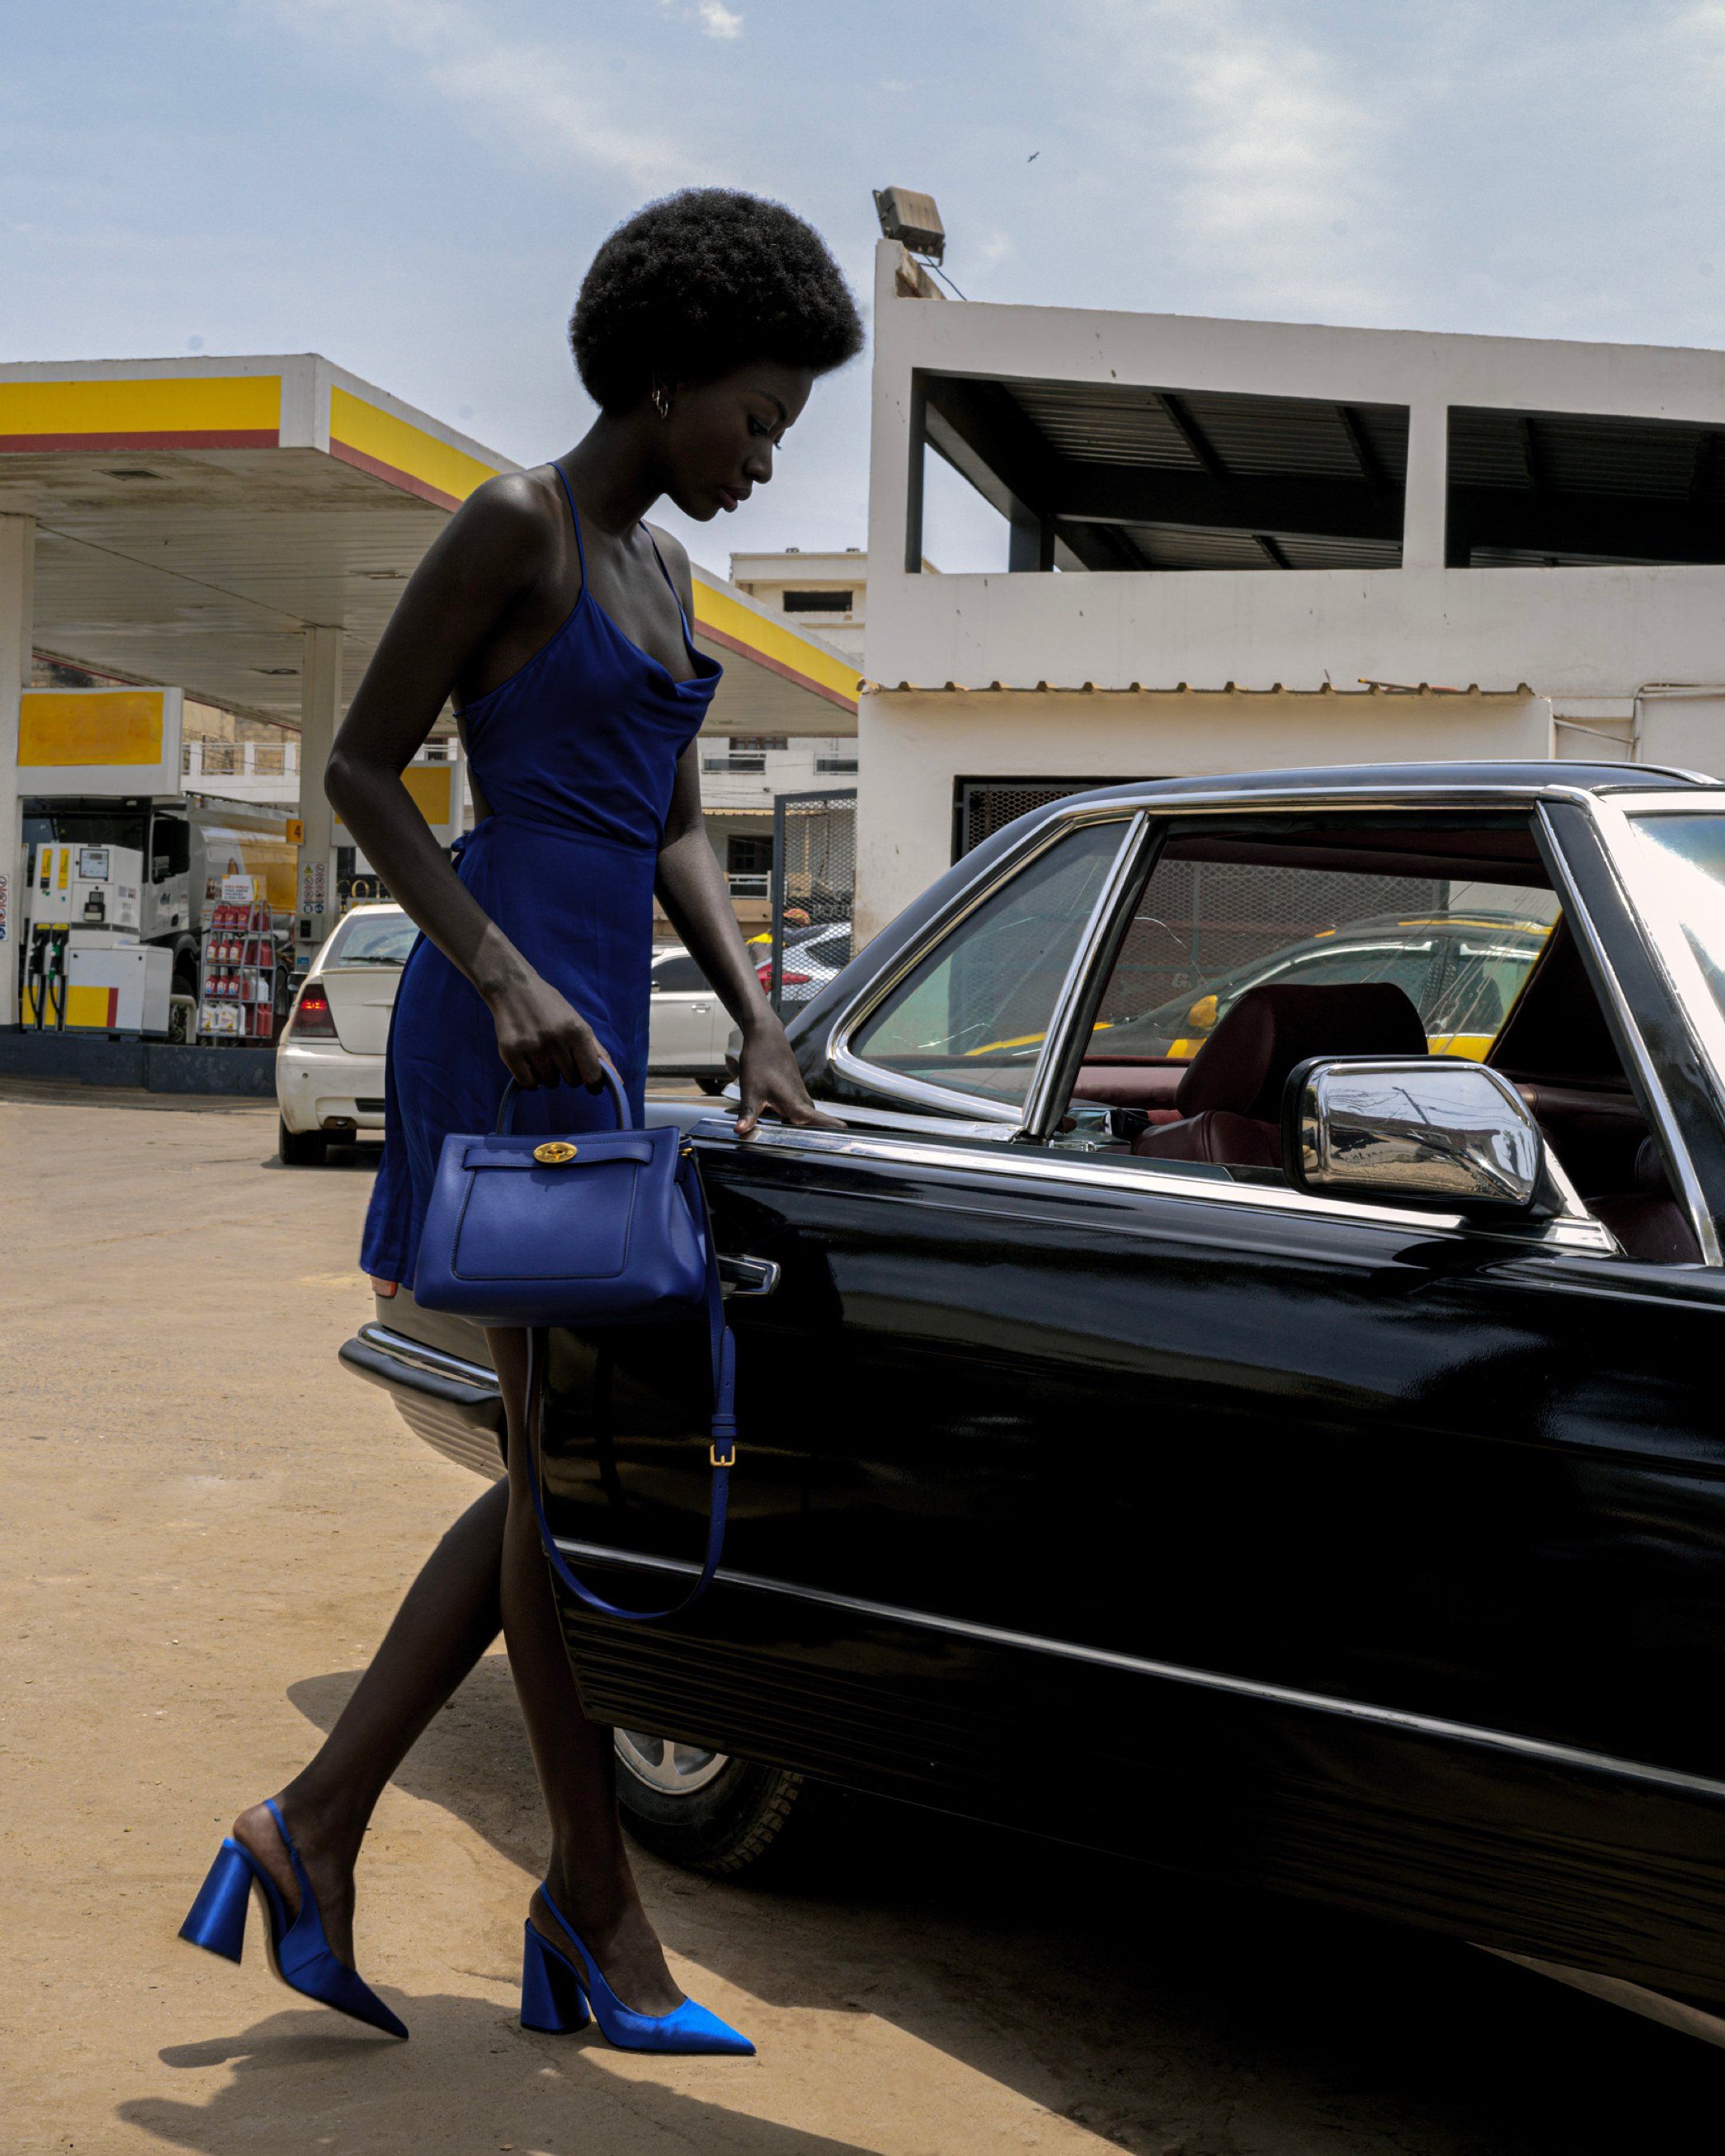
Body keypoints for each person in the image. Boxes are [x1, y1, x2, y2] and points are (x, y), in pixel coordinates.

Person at [180, 189, 862, 2056]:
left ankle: (338, 1837)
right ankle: (584, 1915)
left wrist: (758, 1018)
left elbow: (671, 825)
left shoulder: (665, 582)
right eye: (758, 415)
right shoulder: (517, 524)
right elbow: (355, 768)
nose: (766, 454)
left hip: (600, 1040)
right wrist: (490, 974)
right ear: (662, 376)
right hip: (502, 1029)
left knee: (553, 1482)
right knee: (556, 1484)